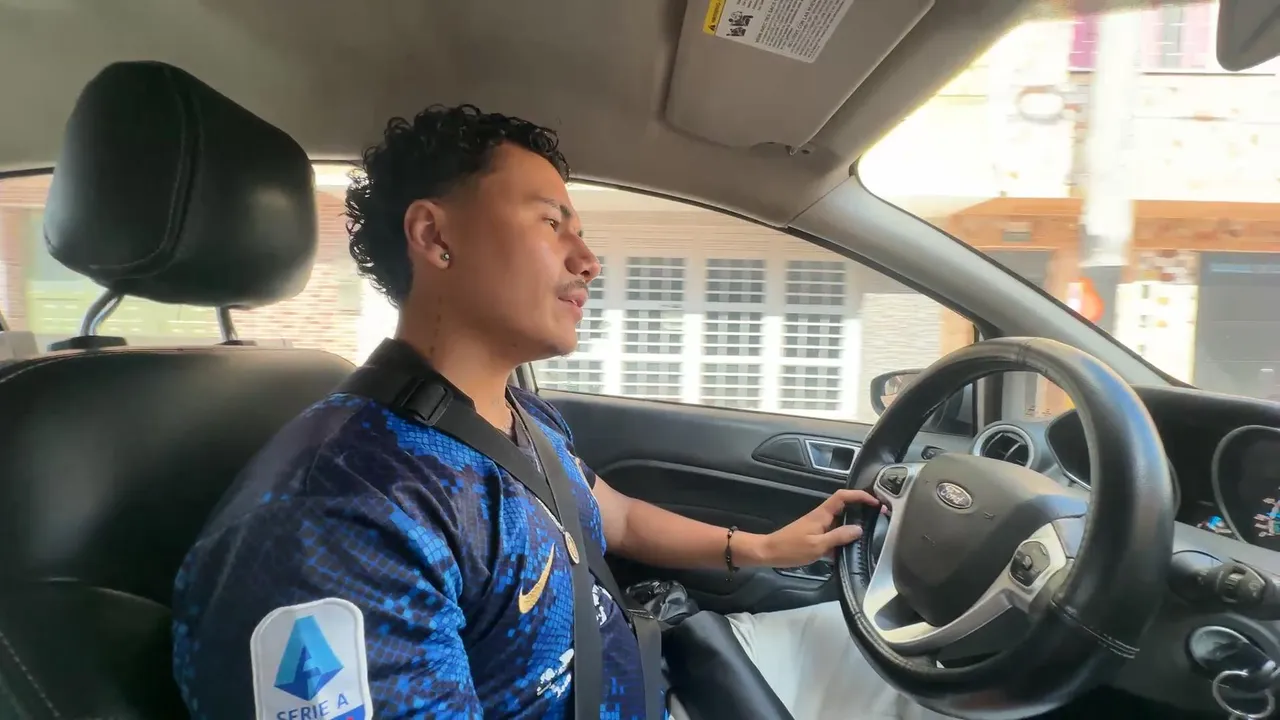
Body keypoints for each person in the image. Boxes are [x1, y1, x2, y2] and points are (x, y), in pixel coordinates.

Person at [171, 104, 938, 720]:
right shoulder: (342, 515)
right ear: (435, 236)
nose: (588, 260)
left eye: (581, 230)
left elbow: (613, 515)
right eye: (551, 222)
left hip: (669, 671)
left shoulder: (516, 416)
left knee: (924, 662)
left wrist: (766, 548)